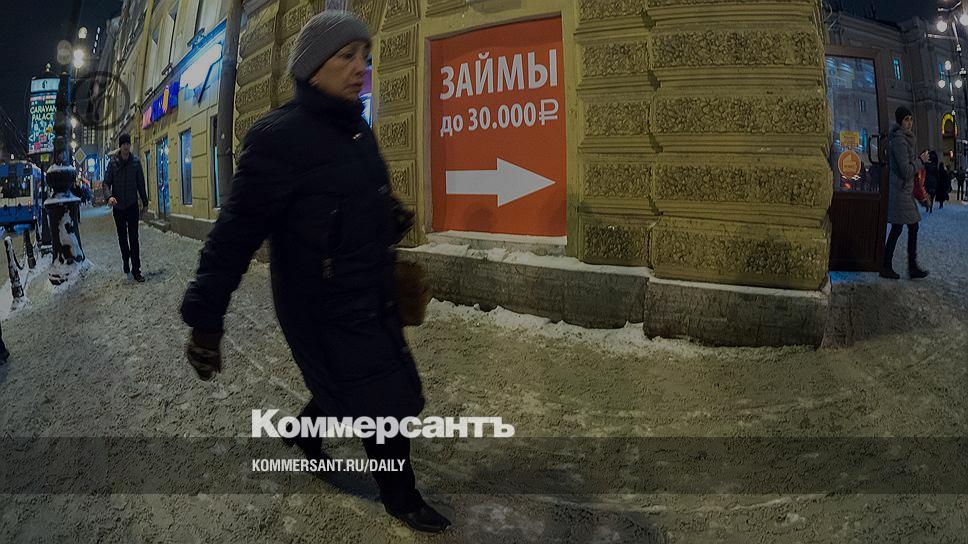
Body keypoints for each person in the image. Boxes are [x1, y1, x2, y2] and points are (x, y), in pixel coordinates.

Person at [179, 11, 450, 534]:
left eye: (364, 56)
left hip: (367, 288)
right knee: (383, 396)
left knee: (353, 383)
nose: (360, 67)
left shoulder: (355, 127)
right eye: (346, 56)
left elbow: (354, 193)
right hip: (319, 304)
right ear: (312, 66)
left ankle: (306, 432)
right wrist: (205, 322)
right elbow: (232, 239)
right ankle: (402, 497)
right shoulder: (277, 139)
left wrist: (388, 214)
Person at [882, 107, 929, 280]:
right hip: (900, 191)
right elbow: (906, 171)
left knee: (901, 227)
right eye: (906, 120)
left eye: (910, 119)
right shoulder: (900, 141)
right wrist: (921, 161)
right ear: (900, 122)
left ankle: (893, 265)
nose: (909, 123)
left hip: (904, 191)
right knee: (904, 227)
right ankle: (901, 266)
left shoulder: (905, 139)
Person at [103, 133, 148, 282]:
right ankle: (125, 260)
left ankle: (136, 270)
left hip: (132, 205)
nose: (126, 146)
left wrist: (145, 203)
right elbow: (106, 183)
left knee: (134, 238)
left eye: (128, 144)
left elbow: (141, 183)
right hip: (119, 207)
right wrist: (109, 197)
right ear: (120, 146)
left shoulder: (135, 162)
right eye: (124, 144)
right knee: (122, 238)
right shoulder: (113, 163)